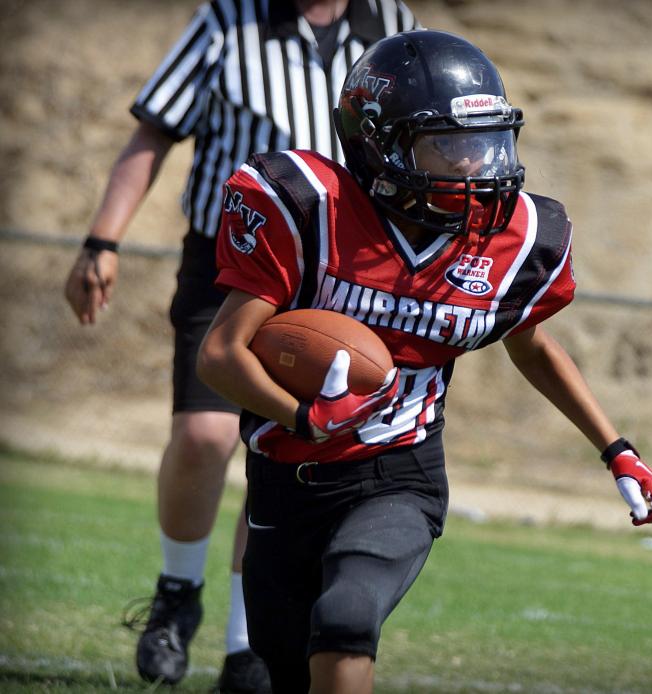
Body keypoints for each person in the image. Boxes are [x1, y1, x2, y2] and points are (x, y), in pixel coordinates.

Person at [197, 28, 652, 694]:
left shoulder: (516, 238)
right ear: (377, 143)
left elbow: (532, 344)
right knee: (287, 664)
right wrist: (304, 415)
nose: (477, 164)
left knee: (345, 617)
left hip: (399, 473)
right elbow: (220, 355)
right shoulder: (310, 208)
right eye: (448, 144)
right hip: (286, 471)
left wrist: (617, 449)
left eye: (487, 142)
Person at [62, 1, 419, 691]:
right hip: (234, 259)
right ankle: (176, 594)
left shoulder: (392, 21)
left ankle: (246, 646)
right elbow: (154, 128)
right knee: (204, 435)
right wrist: (103, 239)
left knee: (284, 452)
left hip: (334, 275)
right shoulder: (229, 18)